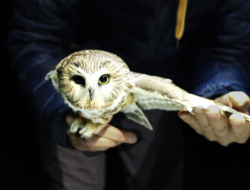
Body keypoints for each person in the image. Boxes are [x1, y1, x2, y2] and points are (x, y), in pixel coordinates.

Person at [5, 0, 250, 189]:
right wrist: (62, 110)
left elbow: (225, 45)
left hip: (157, 81)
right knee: (77, 180)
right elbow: (36, 34)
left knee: (158, 178)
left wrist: (220, 92)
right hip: (74, 85)